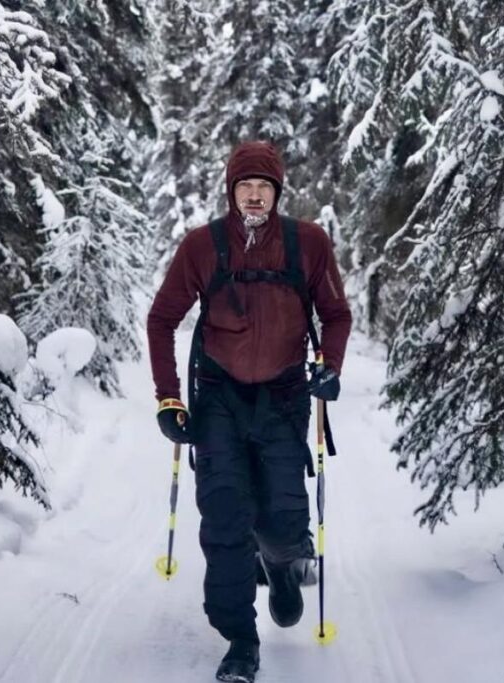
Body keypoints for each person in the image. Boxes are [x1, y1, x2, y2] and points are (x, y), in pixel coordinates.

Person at [147, 141, 352, 682]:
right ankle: (241, 639)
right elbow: (162, 319)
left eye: (264, 186)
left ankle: (282, 568)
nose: (255, 195)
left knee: (284, 521)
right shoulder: (203, 246)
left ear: (278, 192)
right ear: (231, 192)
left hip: (284, 396)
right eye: (245, 186)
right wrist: (169, 396)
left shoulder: (306, 244)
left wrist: (329, 367)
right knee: (224, 518)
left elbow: (336, 314)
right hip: (218, 398)